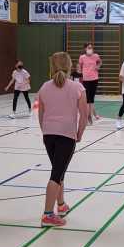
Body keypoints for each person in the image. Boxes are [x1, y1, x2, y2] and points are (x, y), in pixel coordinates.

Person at [37, 52, 88, 227]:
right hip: (66, 135)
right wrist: (79, 133)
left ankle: (61, 204)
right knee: (56, 174)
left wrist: (45, 131)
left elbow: (41, 114)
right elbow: (84, 115)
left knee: (59, 170)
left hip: (49, 135)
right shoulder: (77, 87)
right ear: (69, 66)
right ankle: (47, 214)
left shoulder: (44, 87)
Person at [78, 43, 102, 123]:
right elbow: (79, 66)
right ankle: (87, 116)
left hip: (94, 79)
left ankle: (90, 116)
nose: (90, 49)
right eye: (88, 47)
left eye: (91, 48)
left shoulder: (96, 56)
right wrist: (80, 72)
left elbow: (100, 62)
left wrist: (98, 66)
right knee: (87, 99)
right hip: (86, 79)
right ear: (85, 49)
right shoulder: (82, 57)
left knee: (91, 99)